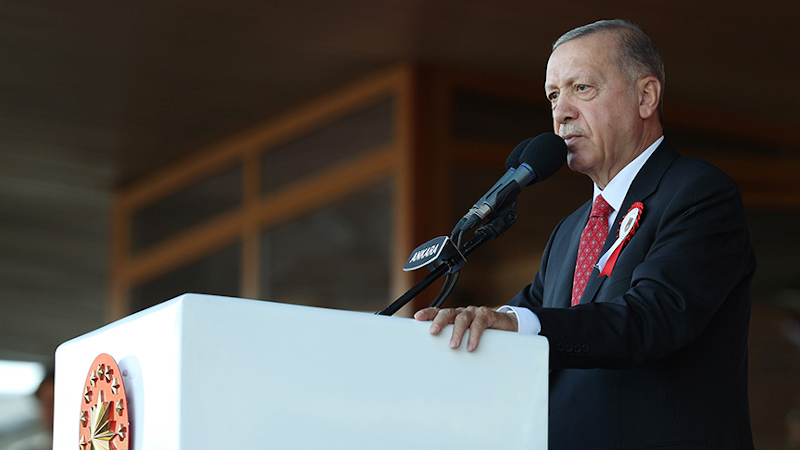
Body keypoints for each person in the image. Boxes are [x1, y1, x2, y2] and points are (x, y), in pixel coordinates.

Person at [415, 19, 756, 449]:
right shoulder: (569, 232)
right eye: (553, 95)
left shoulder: (698, 192)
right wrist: (462, 331)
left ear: (646, 96)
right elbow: (521, 324)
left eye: (581, 88)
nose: (561, 112)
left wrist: (517, 323)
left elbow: (653, 318)